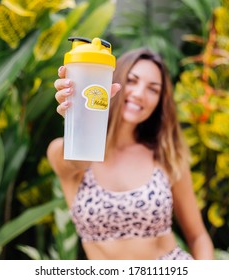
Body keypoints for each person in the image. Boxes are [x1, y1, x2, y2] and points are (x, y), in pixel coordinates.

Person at [47, 48, 214, 260]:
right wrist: (78, 111)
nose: (139, 94)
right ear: (111, 83)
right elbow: (79, 161)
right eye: (132, 81)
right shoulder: (65, 151)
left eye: (153, 89)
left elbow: (198, 236)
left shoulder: (166, 155)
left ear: (160, 101)